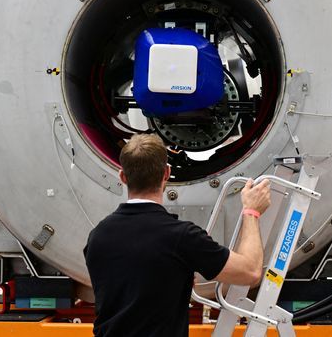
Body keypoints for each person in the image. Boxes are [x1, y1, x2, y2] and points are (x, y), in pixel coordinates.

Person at [84, 133, 271, 336]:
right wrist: (251, 212)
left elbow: (129, 286)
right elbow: (250, 272)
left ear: (122, 176)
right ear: (166, 173)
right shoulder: (181, 238)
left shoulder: (97, 237)